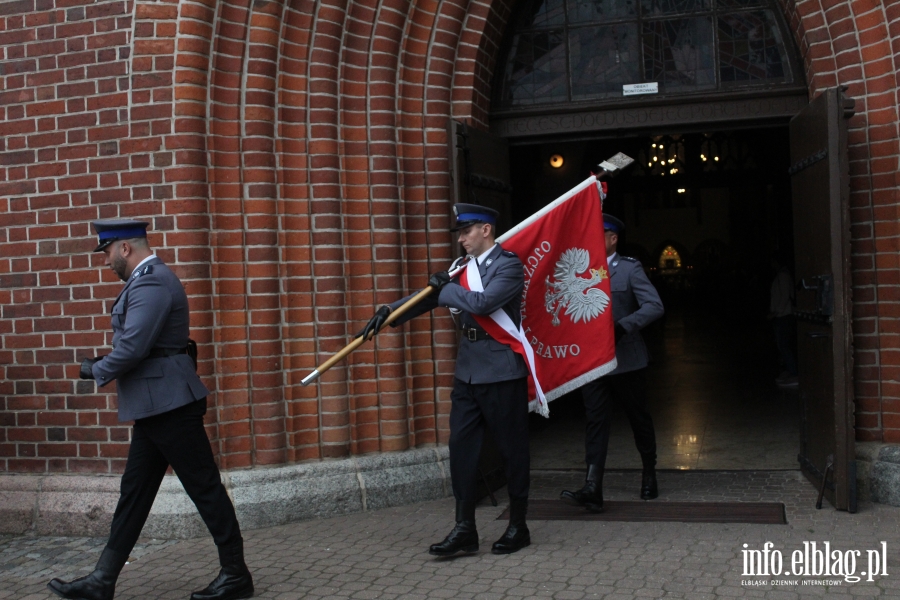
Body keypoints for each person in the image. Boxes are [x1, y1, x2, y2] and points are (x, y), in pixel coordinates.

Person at [48, 220, 253, 600]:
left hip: (170, 404)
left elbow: (133, 347)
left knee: (204, 488)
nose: (106, 261)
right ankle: (102, 580)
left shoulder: (152, 281)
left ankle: (236, 574)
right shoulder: (147, 281)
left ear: (125, 248)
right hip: (158, 404)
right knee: (135, 493)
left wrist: (98, 369)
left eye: (108, 252)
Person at [359, 203, 532, 556]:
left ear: (485, 230)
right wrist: (391, 311)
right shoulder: (460, 269)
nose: (462, 239)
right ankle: (464, 528)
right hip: (467, 370)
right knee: (462, 451)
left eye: (466, 232)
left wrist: (443, 287)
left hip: (500, 371)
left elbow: (482, 303)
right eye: (459, 233)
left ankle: (518, 525)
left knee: (512, 451)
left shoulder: (509, 265)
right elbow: (430, 297)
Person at [560, 214, 664, 512]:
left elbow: (654, 306)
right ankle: (593, 485)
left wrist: (624, 325)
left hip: (627, 360)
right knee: (595, 421)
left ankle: (648, 472)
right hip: (593, 362)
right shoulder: (581, 271)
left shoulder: (629, 269)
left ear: (613, 238)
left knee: (638, 417)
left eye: (598, 233)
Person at [769, 255, 797, 388]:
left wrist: (776, 312)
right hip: (781, 314)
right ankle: (789, 370)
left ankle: (793, 372)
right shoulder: (781, 275)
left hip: (784, 315)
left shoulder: (783, 275)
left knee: (784, 344)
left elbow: (785, 295)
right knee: (782, 345)